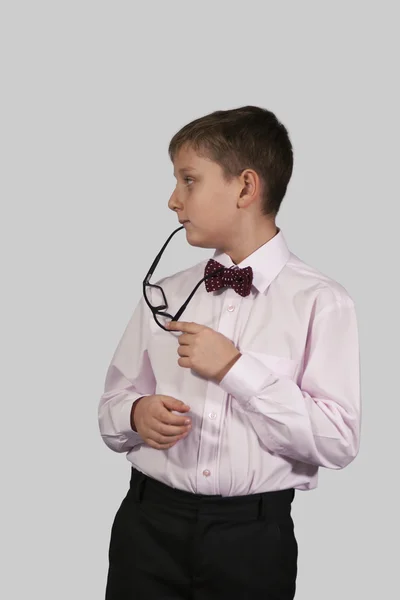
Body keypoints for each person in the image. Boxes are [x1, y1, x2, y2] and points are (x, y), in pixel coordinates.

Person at [98, 105, 361, 599]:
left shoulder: (322, 302)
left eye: (189, 180)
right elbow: (111, 406)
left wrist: (236, 370)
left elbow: (339, 441)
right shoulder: (167, 295)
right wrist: (135, 414)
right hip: (145, 530)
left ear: (244, 187)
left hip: (254, 543)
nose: (173, 200)